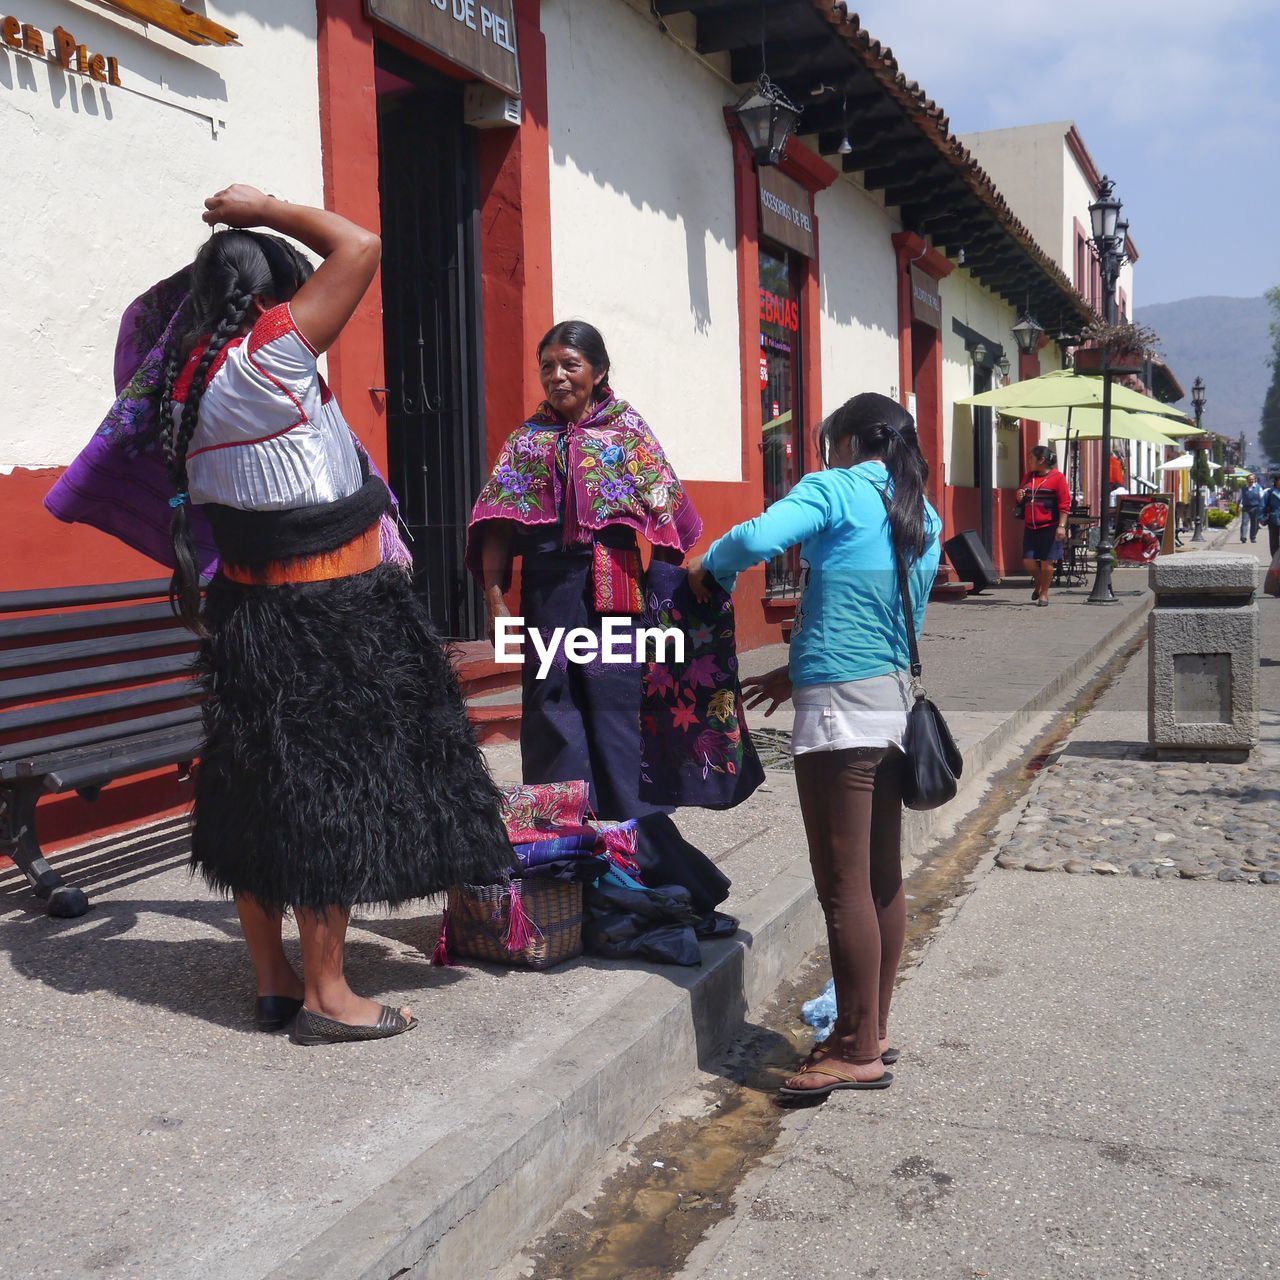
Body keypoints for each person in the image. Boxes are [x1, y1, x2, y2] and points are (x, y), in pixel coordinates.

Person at [82, 186, 512, 1044]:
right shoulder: (266, 357)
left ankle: (274, 980)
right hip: (332, 615)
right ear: (274, 297)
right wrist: (263, 206)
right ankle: (328, 995)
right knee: (330, 797)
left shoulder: (181, 387)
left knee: (257, 795)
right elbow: (361, 244)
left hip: (250, 613)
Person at [688, 393, 942, 1098]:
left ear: (853, 441)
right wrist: (795, 669)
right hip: (891, 709)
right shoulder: (923, 510)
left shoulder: (833, 488)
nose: (822, 457)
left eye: (828, 443)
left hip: (840, 721)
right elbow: (882, 620)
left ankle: (856, 1048)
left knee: (842, 887)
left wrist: (705, 565)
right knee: (882, 878)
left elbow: (756, 540)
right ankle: (873, 1028)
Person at [465, 321, 734, 930]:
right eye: (548, 367)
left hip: (614, 587)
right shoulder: (526, 441)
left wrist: (670, 594)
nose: (558, 376)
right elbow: (498, 522)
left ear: (599, 371)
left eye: (571, 365)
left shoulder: (627, 431)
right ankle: (568, 866)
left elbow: (668, 514)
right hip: (548, 589)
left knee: (616, 724)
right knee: (552, 712)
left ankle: (644, 867)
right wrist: (494, 597)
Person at [1015, 445, 1070, 606]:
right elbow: (1021, 497)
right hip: (1031, 527)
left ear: (1042, 460)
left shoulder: (1058, 478)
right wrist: (1019, 496)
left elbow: (1064, 504)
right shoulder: (1028, 477)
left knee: (1047, 562)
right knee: (1028, 561)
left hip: (1050, 526)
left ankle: (1044, 593)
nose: (1028, 462)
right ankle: (1039, 583)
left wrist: (1061, 526)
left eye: (1031, 458)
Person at [1240, 474, 1263, 543]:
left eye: (1252, 479)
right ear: (1247, 480)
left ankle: (1252, 537)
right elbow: (1239, 498)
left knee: (1254, 523)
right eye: (1249, 479)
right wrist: (1237, 506)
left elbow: (1262, 498)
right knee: (1244, 522)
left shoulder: (1258, 488)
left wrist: (1262, 508)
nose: (1251, 480)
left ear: (1254, 480)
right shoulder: (1243, 488)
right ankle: (1243, 537)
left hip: (1255, 508)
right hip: (1246, 508)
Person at [1263, 475, 1280, 558]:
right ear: (1276, 482)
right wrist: (1261, 518)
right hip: (1274, 520)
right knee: (1274, 542)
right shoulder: (1270, 492)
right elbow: (1262, 506)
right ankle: (1275, 559)